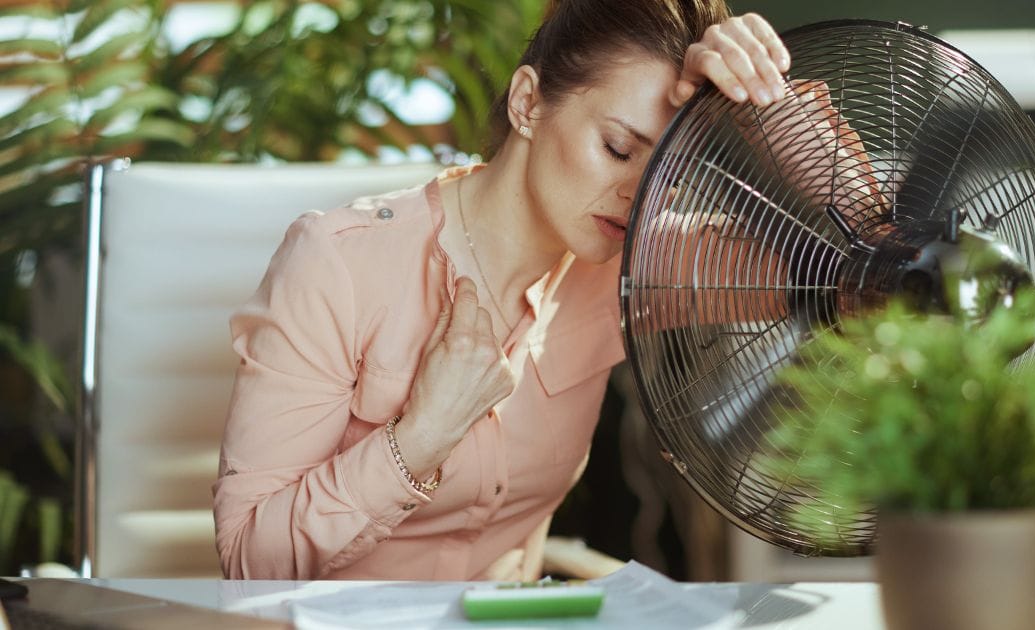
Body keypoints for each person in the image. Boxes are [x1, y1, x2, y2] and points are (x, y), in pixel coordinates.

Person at [212, 0, 795, 581]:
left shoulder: (633, 265)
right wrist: (421, 435)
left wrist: (771, 108)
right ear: (527, 102)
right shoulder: (337, 263)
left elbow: (859, 279)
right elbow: (248, 563)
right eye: (618, 149)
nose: (640, 195)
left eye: (668, 170)